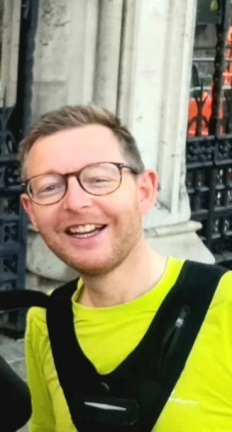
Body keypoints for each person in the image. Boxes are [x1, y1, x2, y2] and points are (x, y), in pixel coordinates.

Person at [20, 105, 232, 432]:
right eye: (50, 187)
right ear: (31, 212)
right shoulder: (45, 321)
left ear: (144, 192)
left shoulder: (226, 303)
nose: (75, 202)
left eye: (99, 179)